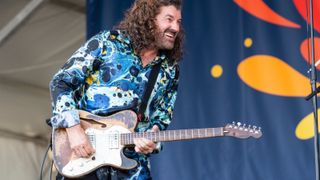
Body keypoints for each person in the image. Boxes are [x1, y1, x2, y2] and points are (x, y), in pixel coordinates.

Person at [49, 0, 184, 179]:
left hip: (132, 168)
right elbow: (61, 82)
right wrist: (74, 130)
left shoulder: (170, 69)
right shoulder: (108, 43)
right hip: (83, 157)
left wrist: (152, 137)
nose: (175, 28)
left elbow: (162, 118)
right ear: (149, 19)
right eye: (169, 19)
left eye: (178, 22)